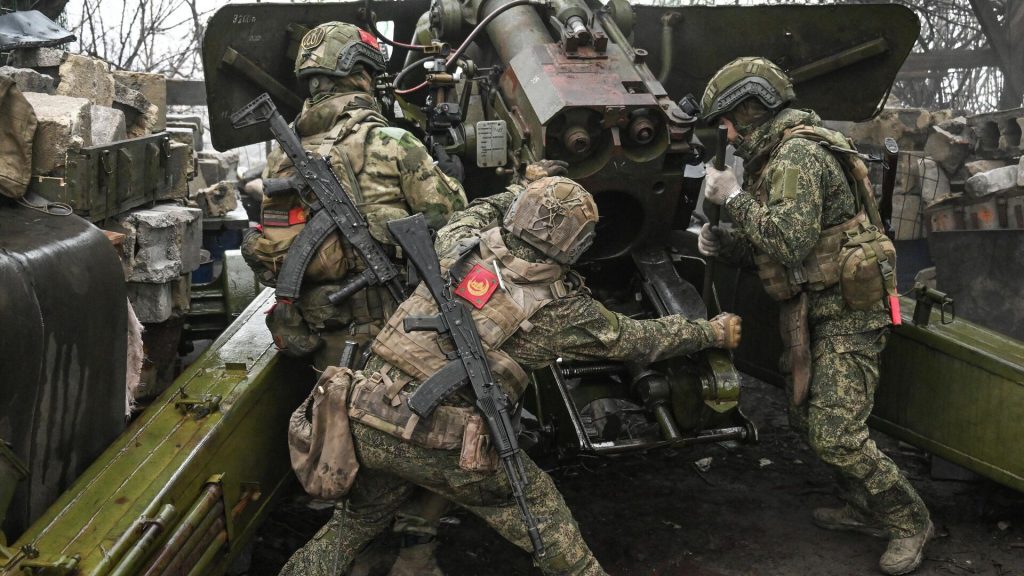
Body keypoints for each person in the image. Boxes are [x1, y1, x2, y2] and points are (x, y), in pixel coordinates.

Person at [281, 176, 743, 575]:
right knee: (547, 522)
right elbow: (637, 340)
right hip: (438, 444)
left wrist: (523, 185)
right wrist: (711, 331)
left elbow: (480, 209)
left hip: (366, 416)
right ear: (581, 245)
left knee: (355, 523)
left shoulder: (457, 242)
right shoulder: (561, 308)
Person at [237, 21, 468, 576]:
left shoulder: (283, 158)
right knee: (436, 432)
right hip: (401, 331)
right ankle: (415, 550)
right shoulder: (393, 143)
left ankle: (361, 550)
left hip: (329, 335)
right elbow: (454, 222)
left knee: (353, 440)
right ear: (362, 74)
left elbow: (274, 248)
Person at [697, 57, 932, 575]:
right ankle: (864, 507)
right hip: (814, 307)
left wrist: (731, 197)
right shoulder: (777, 156)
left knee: (836, 433)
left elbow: (788, 240)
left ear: (753, 109)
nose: (727, 134)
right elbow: (779, 244)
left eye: (729, 121)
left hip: (848, 310)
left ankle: (909, 520)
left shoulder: (798, 156)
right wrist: (726, 243)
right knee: (807, 420)